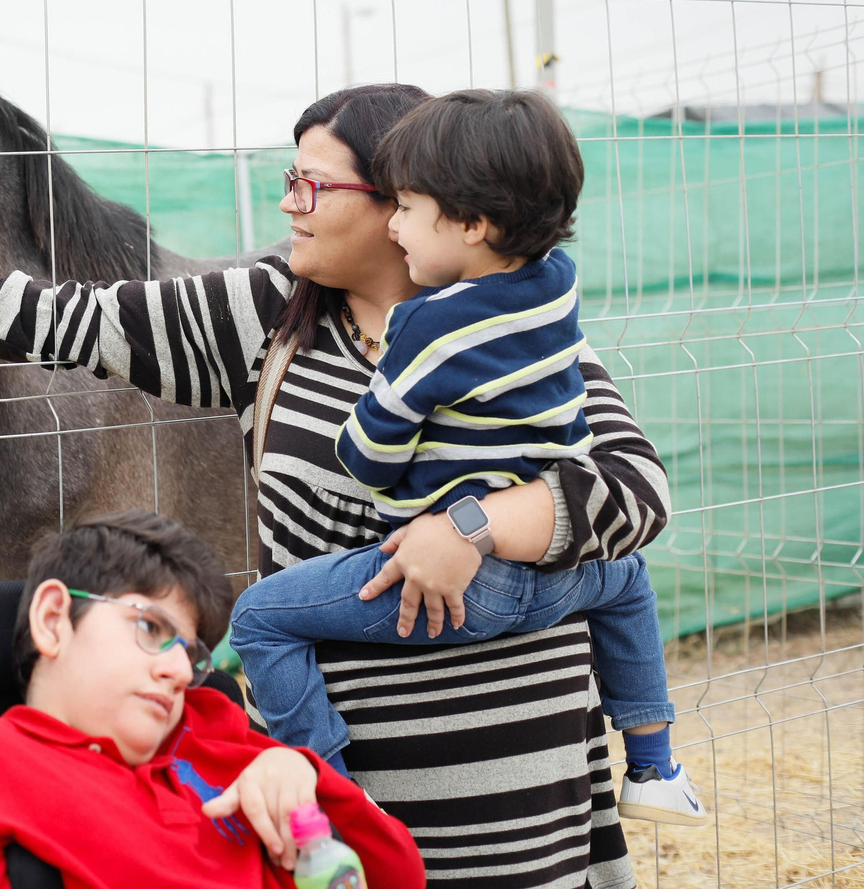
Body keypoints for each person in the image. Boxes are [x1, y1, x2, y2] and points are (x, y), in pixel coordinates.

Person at [0, 82, 668, 886]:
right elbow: (72, 319)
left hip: (534, 783)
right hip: (343, 787)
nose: (289, 205)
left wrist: (471, 529)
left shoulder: (517, 327)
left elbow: (635, 492)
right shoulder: (269, 318)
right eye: (287, 180)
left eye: (312, 186)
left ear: (400, 204)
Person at [228, 89, 706, 826]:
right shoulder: (556, 290)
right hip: (554, 578)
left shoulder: (426, 328)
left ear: (474, 223)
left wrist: (383, 430)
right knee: (629, 578)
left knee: (260, 617)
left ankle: (332, 797)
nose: (394, 223)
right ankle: (653, 763)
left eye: (409, 208)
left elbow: (368, 455)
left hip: (458, 587)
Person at [0, 512, 427, 888]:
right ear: (55, 620)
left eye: (190, 653)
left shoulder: (224, 742)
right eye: (149, 627)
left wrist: (303, 773)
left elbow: (399, 875)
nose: (177, 670)